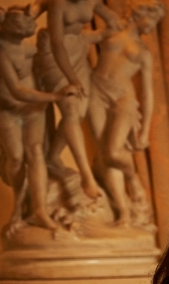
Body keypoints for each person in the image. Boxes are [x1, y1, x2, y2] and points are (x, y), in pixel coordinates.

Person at [0, 4, 77, 230]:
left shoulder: (29, 46)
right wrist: (54, 95)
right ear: (10, 28)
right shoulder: (2, 50)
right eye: (25, 25)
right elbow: (16, 90)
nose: (31, 28)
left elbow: (52, 50)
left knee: (35, 153)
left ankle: (40, 210)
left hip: (34, 107)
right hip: (9, 107)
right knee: (15, 157)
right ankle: (19, 205)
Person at [32, 0, 119, 200]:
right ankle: (86, 176)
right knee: (71, 109)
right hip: (55, 56)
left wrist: (109, 28)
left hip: (78, 49)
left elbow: (112, 20)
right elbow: (57, 43)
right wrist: (72, 78)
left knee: (78, 114)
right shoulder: (57, 3)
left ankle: (52, 157)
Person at [86, 0, 162, 227]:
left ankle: (133, 180)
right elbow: (91, 6)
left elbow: (148, 93)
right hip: (95, 91)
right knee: (104, 156)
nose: (153, 25)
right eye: (153, 18)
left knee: (112, 152)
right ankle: (124, 212)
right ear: (140, 13)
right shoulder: (112, 29)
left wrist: (144, 131)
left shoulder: (143, 52)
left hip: (123, 99)